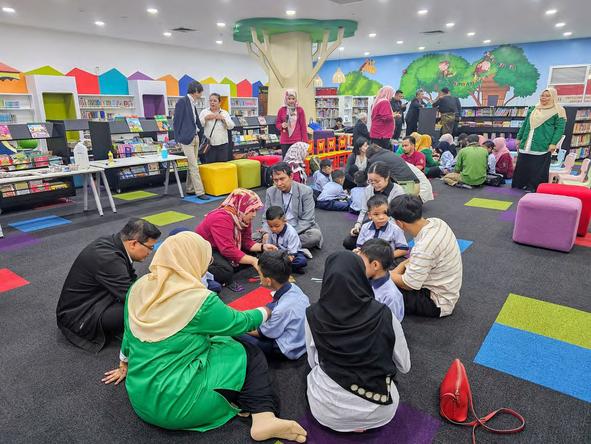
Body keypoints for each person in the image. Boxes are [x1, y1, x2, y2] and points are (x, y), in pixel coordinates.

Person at [102, 232, 307, 443]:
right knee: (248, 352)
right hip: (178, 404)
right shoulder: (199, 300)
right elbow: (240, 322)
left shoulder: (138, 287)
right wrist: (268, 310)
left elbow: (129, 332)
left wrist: (124, 364)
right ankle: (264, 416)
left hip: (141, 395)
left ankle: (241, 400)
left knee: (217, 341)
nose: (206, 267)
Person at [305, 251, 410, 433]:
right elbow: (404, 366)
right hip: (379, 411)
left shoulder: (312, 314)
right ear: (361, 276)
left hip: (326, 412)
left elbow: (312, 362)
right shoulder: (384, 314)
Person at [56, 219, 161, 353]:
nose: (150, 252)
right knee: (140, 309)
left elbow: (130, 279)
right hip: (78, 317)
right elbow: (131, 296)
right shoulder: (108, 258)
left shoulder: (114, 244)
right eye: (150, 247)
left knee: (145, 300)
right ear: (134, 243)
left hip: (92, 301)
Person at [388, 195, 462, 317]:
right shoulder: (437, 222)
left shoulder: (424, 248)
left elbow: (408, 284)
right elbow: (414, 259)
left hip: (436, 302)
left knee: (378, 284)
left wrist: (386, 275)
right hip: (444, 287)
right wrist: (397, 269)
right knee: (389, 264)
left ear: (399, 223)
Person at [196, 189, 277, 288]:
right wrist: (253, 261)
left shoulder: (242, 216)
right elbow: (227, 249)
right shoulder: (221, 218)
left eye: (255, 210)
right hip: (206, 249)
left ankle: (229, 263)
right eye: (252, 210)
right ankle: (200, 272)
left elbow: (246, 241)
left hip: (222, 246)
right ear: (242, 206)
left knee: (254, 254)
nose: (254, 214)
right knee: (225, 272)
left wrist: (263, 247)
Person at [242, 251, 310, 359]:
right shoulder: (294, 288)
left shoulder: (281, 310)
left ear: (268, 281)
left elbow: (263, 333)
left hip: (288, 349)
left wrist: (240, 325)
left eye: (260, 274)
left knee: (238, 333)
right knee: (269, 307)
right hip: (303, 338)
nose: (259, 277)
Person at [513, 87, 566, 192]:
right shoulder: (534, 108)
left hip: (542, 144)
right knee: (523, 165)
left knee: (537, 168)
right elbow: (525, 124)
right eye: (542, 95)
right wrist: (519, 137)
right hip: (526, 142)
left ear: (553, 97)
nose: (544, 98)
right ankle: (520, 184)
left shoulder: (559, 111)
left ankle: (534, 187)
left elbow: (559, 129)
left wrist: (553, 143)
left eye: (547, 96)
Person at [343, 161, 405, 250]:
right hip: (372, 223)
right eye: (371, 181)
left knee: (378, 248)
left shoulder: (397, 191)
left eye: (377, 181)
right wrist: (358, 225)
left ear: (387, 177)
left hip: (390, 226)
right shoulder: (369, 189)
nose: (374, 184)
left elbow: (398, 218)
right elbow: (364, 211)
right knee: (348, 242)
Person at [263, 162, 323, 250]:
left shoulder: (305, 191)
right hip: (276, 228)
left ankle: (279, 245)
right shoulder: (270, 192)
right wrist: (266, 233)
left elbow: (308, 219)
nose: (279, 183)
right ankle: (286, 246)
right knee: (254, 237)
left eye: (282, 179)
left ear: (291, 176)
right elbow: (266, 217)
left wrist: (288, 233)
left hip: (299, 229)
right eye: (275, 180)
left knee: (315, 235)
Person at [172, 80, 209, 199]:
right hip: (186, 139)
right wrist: (177, 139)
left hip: (195, 137)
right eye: (201, 92)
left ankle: (190, 188)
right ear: (196, 91)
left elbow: (195, 121)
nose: (201, 94)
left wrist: (201, 135)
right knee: (194, 166)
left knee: (192, 165)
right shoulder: (182, 102)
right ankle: (200, 192)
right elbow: (176, 121)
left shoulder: (193, 103)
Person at [358, 239, 405, 322]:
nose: (358, 265)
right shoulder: (365, 278)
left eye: (361, 262)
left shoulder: (391, 296)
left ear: (375, 265)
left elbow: (391, 323)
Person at [355, 194, 409, 266]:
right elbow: (360, 247)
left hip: (388, 260)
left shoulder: (395, 229)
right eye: (376, 214)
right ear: (370, 215)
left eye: (385, 213)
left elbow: (404, 250)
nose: (381, 217)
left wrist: (386, 257)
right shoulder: (365, 227)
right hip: (369, 260)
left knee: (401, 263)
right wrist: (358, 252)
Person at [263, 206, 307, 274]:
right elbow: (269, 247)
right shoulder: (270, 230)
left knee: (301, 261)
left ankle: (281, 268)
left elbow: (291, 254)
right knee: (264, 259)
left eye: (277, 226)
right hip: (277, 254)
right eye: (271, 226)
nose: (274, 229)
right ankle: (284, 268)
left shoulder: (291, 233)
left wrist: (281, 262)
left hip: (290, 255)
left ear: (285, 221)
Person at [199, 93, 235, 163]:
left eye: (215, 101)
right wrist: (205, 118)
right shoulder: (204, 112)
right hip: (209, 145)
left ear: (219, 103)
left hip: (222, 145)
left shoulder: (224, 113)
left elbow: (231, 126)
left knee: (222, 165)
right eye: (210, 100)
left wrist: (223, 119)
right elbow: (199, 126)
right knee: (210, 166)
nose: (212, 102)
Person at [276, 89, 308, 158]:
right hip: (285, 141)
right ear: (286, 99)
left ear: (296, 99)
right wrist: (281, 125)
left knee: (296, 160)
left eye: (293, 99)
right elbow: (277, 124)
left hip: (297, 141)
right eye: (289, 99)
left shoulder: (300, 110)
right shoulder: (281, 110)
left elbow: (303, 126)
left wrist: (305, 141)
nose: (291, 101)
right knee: (286, 160)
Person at [370, 86, 395, 150]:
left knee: (375, 152)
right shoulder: (384, 102)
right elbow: (386, 117)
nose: (392, 97)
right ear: (388, 93)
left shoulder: (378, 101)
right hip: (382, 134)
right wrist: (394, 116)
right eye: (392, 94)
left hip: (377, 133)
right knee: (382, 152)